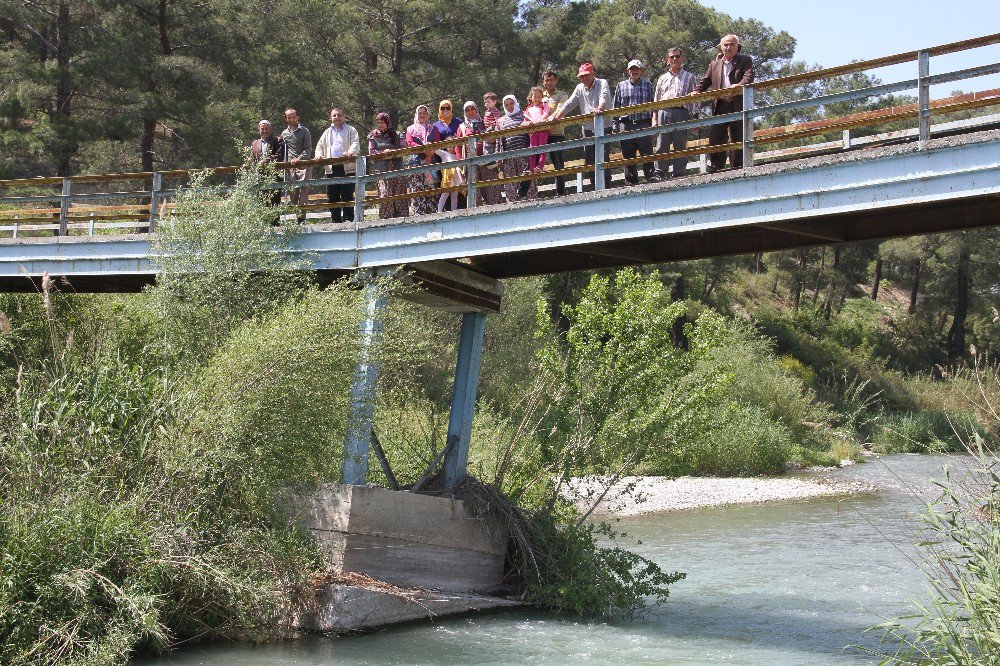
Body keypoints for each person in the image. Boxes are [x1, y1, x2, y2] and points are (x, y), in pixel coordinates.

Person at [695, 34, 754, 172]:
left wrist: (739, 85)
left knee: (738, 135)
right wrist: (697, 91)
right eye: (725, 45)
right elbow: (705, 80)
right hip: (720, 104)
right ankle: (716, 165)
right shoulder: (714, 64)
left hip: (737, 102)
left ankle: (738, 165)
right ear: (721, 47)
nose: (728, 47)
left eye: (731, 44)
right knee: (716, 135)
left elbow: (749, 76)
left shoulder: (744, 60)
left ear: (737, 47)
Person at [552, 62, 611, 190]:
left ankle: (606, 187)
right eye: (581, 76)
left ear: (592, 73)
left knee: (604, 157)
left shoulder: (602, 83)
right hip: (588, 128)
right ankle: (595, 186)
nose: (584, 78)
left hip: (604, 126)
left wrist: (599, 108)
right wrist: (557, 116)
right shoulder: (579, 88)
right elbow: (569, 104)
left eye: (586, 75)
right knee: (589, 158)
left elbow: (604, 97)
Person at [653, 47, 699, 179]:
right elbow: (656, 99)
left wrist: (695, 117)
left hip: (681, 111)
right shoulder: (662, 78)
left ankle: (679, 171)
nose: (674, 59)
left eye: (677, 56)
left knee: (680, 143)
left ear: (682, 59)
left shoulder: (690, 77)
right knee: (662, 143)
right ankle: (660, 171)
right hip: (664, 111)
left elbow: (695, 99)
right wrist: (654, 119)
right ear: (667, 60)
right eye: (672, 57)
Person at [612, 59, 658, 185]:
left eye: (637, 69)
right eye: (632, 69)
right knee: (628, 157)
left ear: (641, 71)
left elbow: (654, 105)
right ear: (628, 71)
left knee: (647, 154)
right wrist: (615, 126)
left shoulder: (648, 85)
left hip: (644, 123)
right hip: (626, 124)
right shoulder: (620, 86)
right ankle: (631, 182)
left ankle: (650, 178)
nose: (634, 71)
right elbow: (615, 107)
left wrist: (654, 123)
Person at [314, 107, 360, 223]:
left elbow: (355, 144)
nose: (337, 117)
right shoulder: (327, 132)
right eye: (334, 115)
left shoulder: (351, 130)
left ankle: (348, 220)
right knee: (332, 196)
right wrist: (319, 155)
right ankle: (335, 221)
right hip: (331, 168)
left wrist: (350, 152)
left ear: (344, 117)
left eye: (339, 115)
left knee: (347, 194)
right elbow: (319, 146)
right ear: (331, 118)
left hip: (347, 167)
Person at [456, 101, 501, 206]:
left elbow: (494, 136)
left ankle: (496, 211)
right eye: (467, 110)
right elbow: (458, 146)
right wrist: (460, 162)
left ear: (476, 110)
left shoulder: (484, 123)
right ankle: (477, 216)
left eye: (472, 109)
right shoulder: (462, 127)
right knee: (475, 192)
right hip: (471, 163)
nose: (470, 112)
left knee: (492, 188)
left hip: (487, 161)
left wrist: (492, 141)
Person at [496, 94, 536, 202]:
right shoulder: (501, 120)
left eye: (511, 103)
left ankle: (532, 206)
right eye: (507, 105)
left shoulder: (524, 115)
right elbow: (498, 140)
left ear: (516, 103)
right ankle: (512, 209)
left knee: (527, 183)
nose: (509, 107)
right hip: (508, 158)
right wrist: (498, 157)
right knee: (510, 185)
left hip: (524, 155)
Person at [368, 112, 406, 219]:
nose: (380, 125)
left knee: (398, 194)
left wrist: (392, 151)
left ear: (387, 123)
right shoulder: (373, 135)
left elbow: (404, 148)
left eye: (382, 122)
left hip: (396, 168)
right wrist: (382, 153)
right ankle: (386, 218)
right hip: (381, 170)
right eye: (378, 123)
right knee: (384, 194)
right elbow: (371, 151)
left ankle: (401, 218)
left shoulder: (397, 134)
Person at [404, 104, 438, 216]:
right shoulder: (410, 129)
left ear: (428, 115)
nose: (422, 115)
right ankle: (418, 215)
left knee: (431, 189)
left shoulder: (433, 128)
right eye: (420, 113)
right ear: (416, 115)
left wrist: (430, 154)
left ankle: (432, 214)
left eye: (425, 113)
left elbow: (437, 142)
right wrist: (424, 150)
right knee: (417, 189)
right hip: (416, 163)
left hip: (430, 162)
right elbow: (410, 143)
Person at [279, 108, 312, 221]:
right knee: (293, 194)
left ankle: (302, 219)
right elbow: (282, 149)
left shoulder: (304, 131)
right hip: (290, 168)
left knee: (303, 192)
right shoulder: (284, 133)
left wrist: (299, 159)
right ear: (286, 118)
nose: (292, 119)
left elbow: (308, 149)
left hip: (303, 166)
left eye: (293, 117)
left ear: (297, 117)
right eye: (289, 117)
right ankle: (296, 218)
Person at [541, 70, 569, 195]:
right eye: (546, 80)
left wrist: (548, 119)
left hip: (556, 134)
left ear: (556, 80)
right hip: (541, 134)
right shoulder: (539, 96)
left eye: (551, 80)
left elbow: (561, 109)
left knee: (558, 164)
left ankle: (561, 193)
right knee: (534, 162)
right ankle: (527, 192)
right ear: (543, 82)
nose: (549, 82)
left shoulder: (562, 95)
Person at [251, 119, 282, 206]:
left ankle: (276, 220)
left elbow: (279, 156)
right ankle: (263, 220)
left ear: (271, 129)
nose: (264, 131)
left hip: (274, 177)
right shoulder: (255, 143)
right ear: (259, 129)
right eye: (262, 129)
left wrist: (265, 160)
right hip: (260, 177)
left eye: (267, 129)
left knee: (275, 203)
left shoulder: (277, 140)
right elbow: (252, 159)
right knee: (261, 202)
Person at [523, 86, 550, 173]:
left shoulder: (543, 106)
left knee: (542, 148)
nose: (537, 99)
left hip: (542, 130)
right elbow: (526, 119)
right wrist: (526, 124)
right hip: (533, 132)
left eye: (539, 97)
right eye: (535, 96)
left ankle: (540, 167)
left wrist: (540, 120)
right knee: (532, 149)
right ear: (531, 97)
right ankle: (531, 168)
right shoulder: (528, 108)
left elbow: (546, 113)